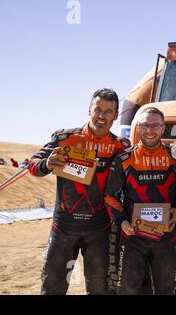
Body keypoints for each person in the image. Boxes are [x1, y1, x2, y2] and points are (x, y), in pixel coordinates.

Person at [28, 88, 130, 295]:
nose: (102, 116)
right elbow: (32, 164)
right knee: (53, 288)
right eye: (98, 109)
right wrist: (47, 164)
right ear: (89, 110)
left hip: (100, 229)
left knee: (100, 289)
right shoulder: (64, 138)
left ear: (116, 115)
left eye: (108, 111)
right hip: (63, 228)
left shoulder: (121, 146)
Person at [104, 107, 176, 295]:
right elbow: (110, 196)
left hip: (165, 238)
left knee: (165, 290)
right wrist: (122, 221)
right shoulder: (123, 158)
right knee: (128, 290)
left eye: (155, 125)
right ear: (138, 128)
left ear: (163, 128)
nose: (150, 130)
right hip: (132, 238)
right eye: (145, 125)